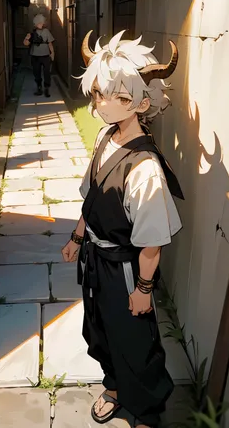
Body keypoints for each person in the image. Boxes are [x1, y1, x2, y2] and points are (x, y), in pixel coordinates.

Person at [61, 30, 184, 428]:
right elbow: (93, 194)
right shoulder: (104, 136)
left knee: (136, 343)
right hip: (96, 259)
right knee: (98, 330)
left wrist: (143, 291)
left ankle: (147, 413)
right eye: (97, 93)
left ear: (141, 102)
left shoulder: (145, 168)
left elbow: (152, 243)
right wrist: (79, 236)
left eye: (118, 96)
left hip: (127, 268)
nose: (101, 103)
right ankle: (113, 387)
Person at [23, 14, 55, 97]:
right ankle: (39, 87)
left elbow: (50, 43)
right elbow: (26, 44)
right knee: (36, 72)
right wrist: (27, 37)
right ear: (36, 24)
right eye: (38, 23)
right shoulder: (32, 33)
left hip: (45, 55)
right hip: (35, 56)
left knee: (47, 72)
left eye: (41, 23)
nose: (40, 24)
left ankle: (46, 88)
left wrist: (52, 53)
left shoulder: (46, 31)